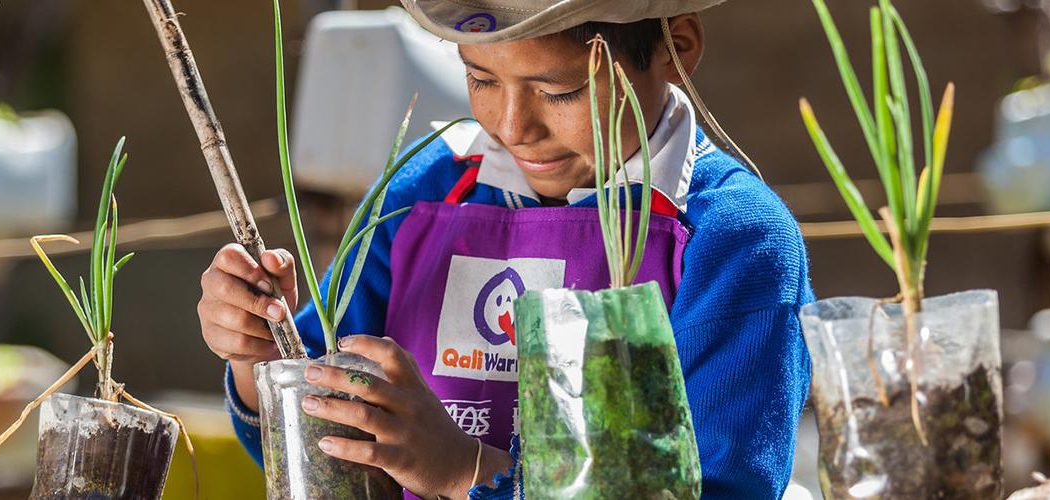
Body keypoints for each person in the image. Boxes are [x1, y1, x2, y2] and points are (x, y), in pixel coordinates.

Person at [198, 0, 814, 497]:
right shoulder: (426, 189)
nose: (513, 126)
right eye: (481, 78)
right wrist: (256, 356)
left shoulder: (734, 238)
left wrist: (467, 469)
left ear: (676, 47)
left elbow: (726, 486)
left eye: (560, 90)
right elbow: (321, 440)